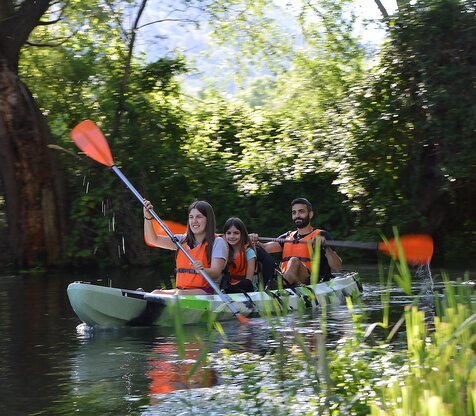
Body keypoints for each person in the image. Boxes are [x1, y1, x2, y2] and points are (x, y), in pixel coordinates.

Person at [250, 197, 342, 286]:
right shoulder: (287, 237)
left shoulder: (321, 235)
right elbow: (264, 248)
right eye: (294, 213)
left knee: (294, 260)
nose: (297, 215)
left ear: (310, 214)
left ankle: (281, 287)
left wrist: (326, 247)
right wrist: (252, 241)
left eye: (301, 212)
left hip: (311, 282)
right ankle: (277, 285)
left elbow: (337, 268)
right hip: (289, 281)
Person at [143, 199, 228, 295]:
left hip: (207, 291)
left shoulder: (217, 242)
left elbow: (216, 272)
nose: (194, 221)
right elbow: (153, 240)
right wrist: (147, 217)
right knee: (155, 293)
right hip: (182, 291)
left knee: (179, 294)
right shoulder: (181, 240)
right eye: (191, 217)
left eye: (199, 217)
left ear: (208, 220)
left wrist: (203, 270)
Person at [222, 217, 256, 293]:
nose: (232, 236)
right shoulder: (223, 251)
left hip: (245, 288)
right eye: (228, 233)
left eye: (236, 233)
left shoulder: (249, 252)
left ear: (242, 234)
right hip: (227, 286)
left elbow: (249, 279)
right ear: (224, 235)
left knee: (246, 283)